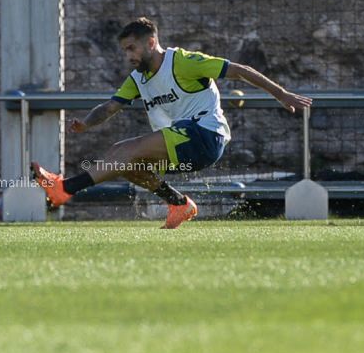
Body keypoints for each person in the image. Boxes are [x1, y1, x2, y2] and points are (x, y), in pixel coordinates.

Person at [31, 17, 312, 229]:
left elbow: (240, 71)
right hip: (184, 142)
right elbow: (110, 107)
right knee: (129, 166)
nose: (128, 56)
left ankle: (65, 188)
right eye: (124, 50)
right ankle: (178, 204)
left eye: (132, 48)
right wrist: (87, 124)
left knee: (124, 148)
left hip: (205, 135)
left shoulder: (183, 62)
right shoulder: (138, 79)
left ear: (151, 43)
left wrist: (281, 94)